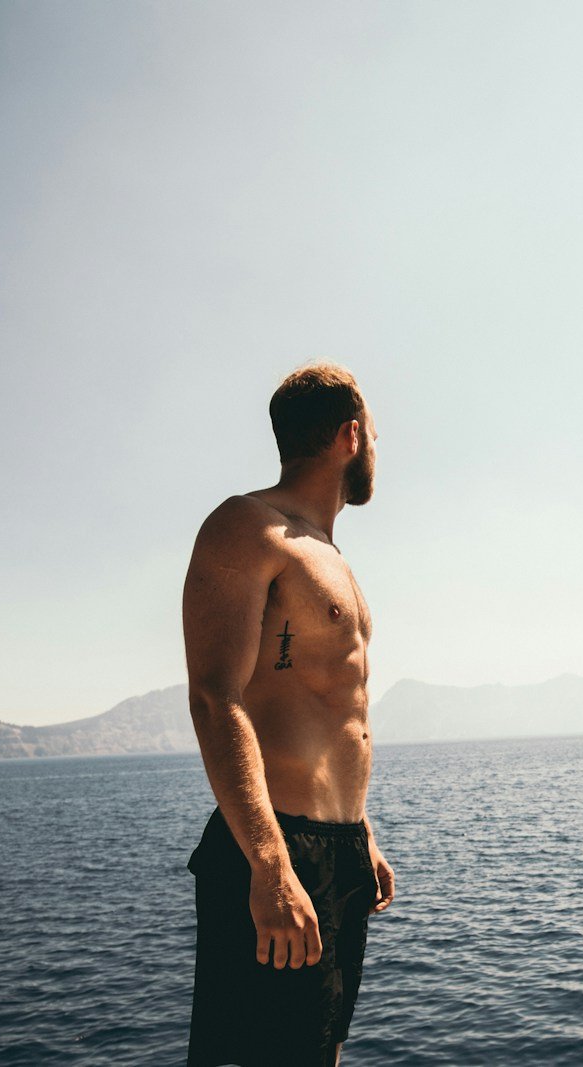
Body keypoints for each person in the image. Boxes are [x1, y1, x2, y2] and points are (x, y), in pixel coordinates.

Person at [181, 362, 395, 1066]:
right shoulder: (251, 527)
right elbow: (217, 697)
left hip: (335, 851)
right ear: (351, 436)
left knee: (319, 1052)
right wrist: (269, 863)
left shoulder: (332, 557)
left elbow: (334, 708)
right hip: (274, 846)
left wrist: (358, 829)